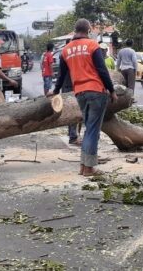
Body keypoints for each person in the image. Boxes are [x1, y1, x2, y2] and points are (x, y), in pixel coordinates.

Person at [49, 19, 117, 177]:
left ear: (75, 30)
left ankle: (83, 166)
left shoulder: (66, 50)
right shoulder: (93, 45)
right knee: (93, 131)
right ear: (88, 30)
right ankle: (89, 168)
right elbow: (102, 70)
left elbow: (62, 75)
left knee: (88, 129)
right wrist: (112, 90)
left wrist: (56, 90)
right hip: (96, 91)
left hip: (79, 92)